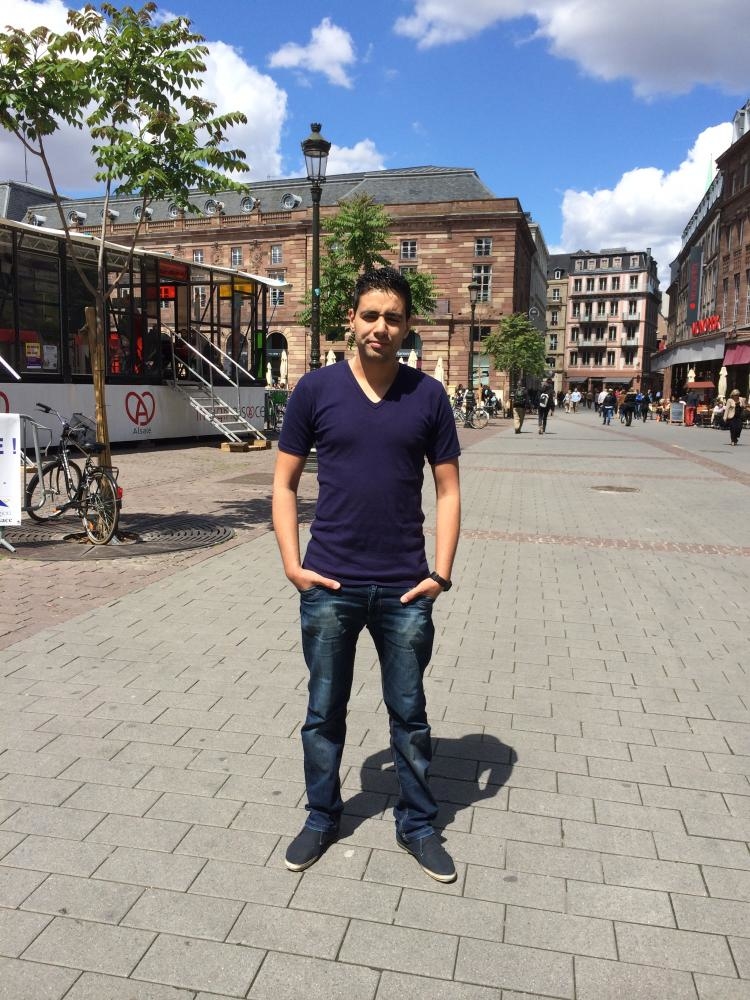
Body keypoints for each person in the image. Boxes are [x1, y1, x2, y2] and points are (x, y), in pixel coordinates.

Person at [272, 267, 461, 883]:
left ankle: (418, 824)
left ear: (408, 326)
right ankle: (322, 815)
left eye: (393, 317)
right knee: (324, 712)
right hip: (330, 583)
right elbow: (283, 482)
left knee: (409, 714)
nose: (381, 327)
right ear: (351, 320)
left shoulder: (428, 396)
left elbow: (449, 490)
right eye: (371, 315)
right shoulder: (315, 390)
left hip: (406, 587)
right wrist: (293, 564)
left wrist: (440, 573)